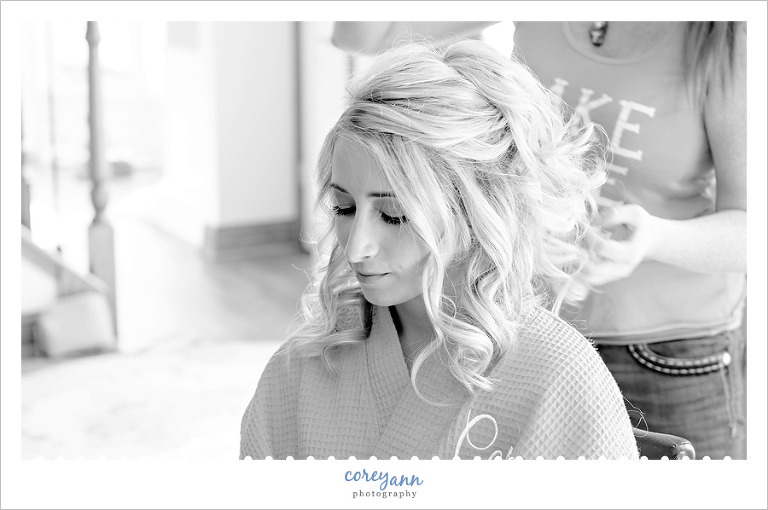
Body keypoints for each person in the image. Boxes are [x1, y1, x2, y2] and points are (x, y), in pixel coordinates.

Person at [331, 21, 747, 459]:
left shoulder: (729, 38)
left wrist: (653, 239)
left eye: (394, 214)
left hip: (668, 353)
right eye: (342, 207)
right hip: (512, 329)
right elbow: (359, 34)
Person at [240, 40, 640, 460]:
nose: (357, 247)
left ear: (476, 211)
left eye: (394, 215)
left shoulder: (559, 376)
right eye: (344, 207)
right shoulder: (302, 367)